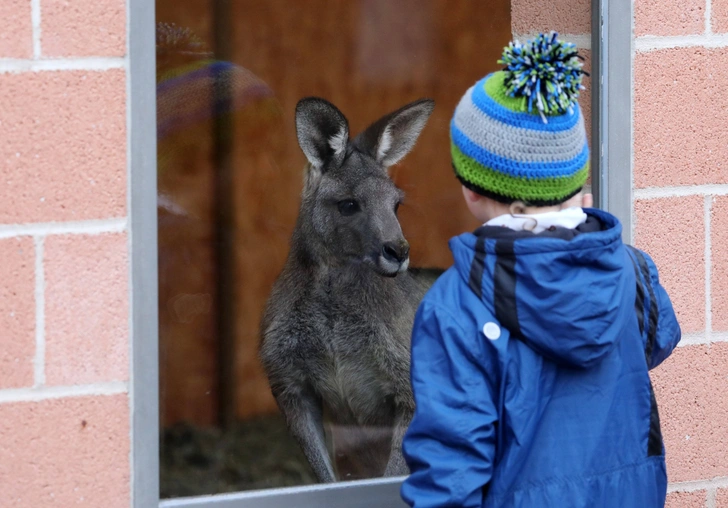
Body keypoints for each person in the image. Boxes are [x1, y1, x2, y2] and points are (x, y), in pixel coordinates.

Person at [400, 32, 681, 508]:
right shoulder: (630, 271)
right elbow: (660, 340)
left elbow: (450, 474)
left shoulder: (456, 306)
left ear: (471, 191)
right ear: (578, 183)